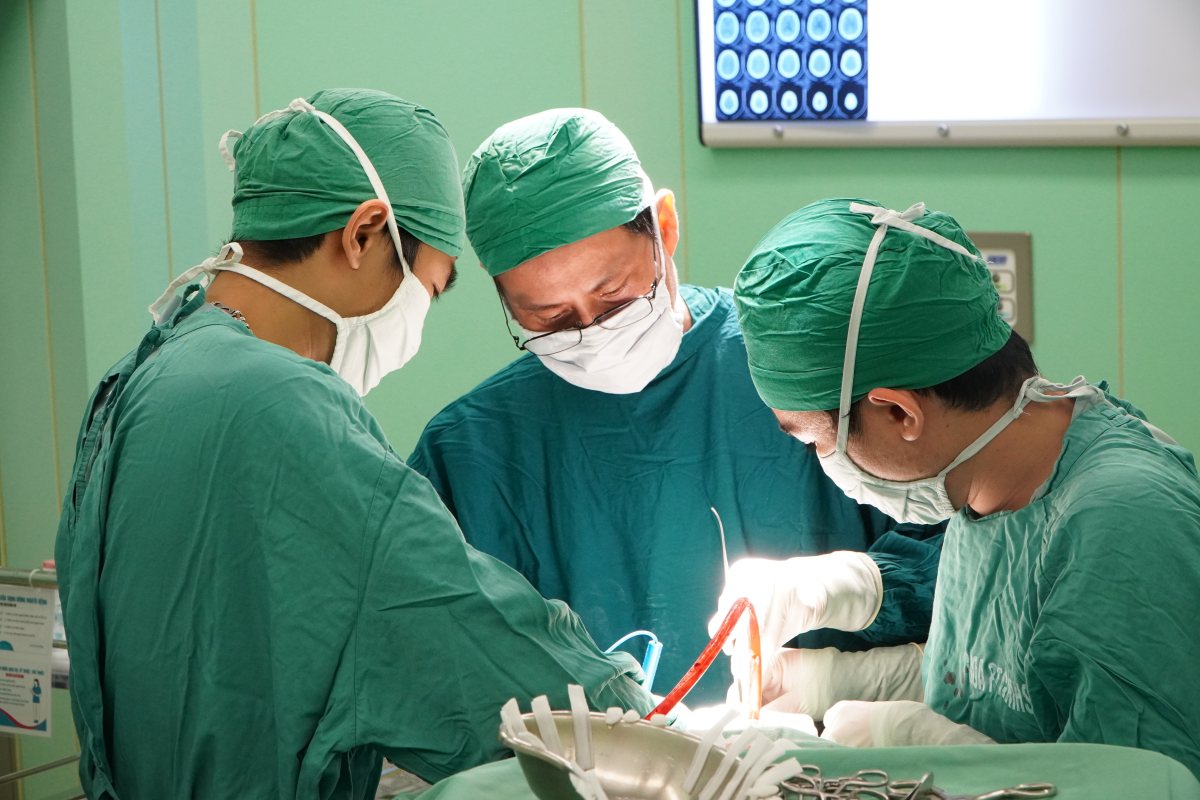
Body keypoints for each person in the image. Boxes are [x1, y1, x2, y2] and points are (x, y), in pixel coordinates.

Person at [54, 90, 650, 800]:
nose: (418, 322)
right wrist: (642, 721)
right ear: (365, 234)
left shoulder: (146, 376)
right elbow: (471, 638)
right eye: (429, 288)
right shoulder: (277, 407)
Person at [407, 109, 943, 705]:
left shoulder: (814, 371)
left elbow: (972, 556)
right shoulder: (472, 452)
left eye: (612, 294)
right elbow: (437, 663)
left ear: (664, 227)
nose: (590, 330)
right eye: (549, 317)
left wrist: (858, 589)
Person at [732, 198, 1200, 776]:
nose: (820, 459)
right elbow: (999, 682)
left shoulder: (1125, 523)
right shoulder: (984, 484)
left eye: (812, 440)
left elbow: (1148, 779)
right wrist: (832, 680)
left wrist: (960, 764)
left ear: (901, 414)